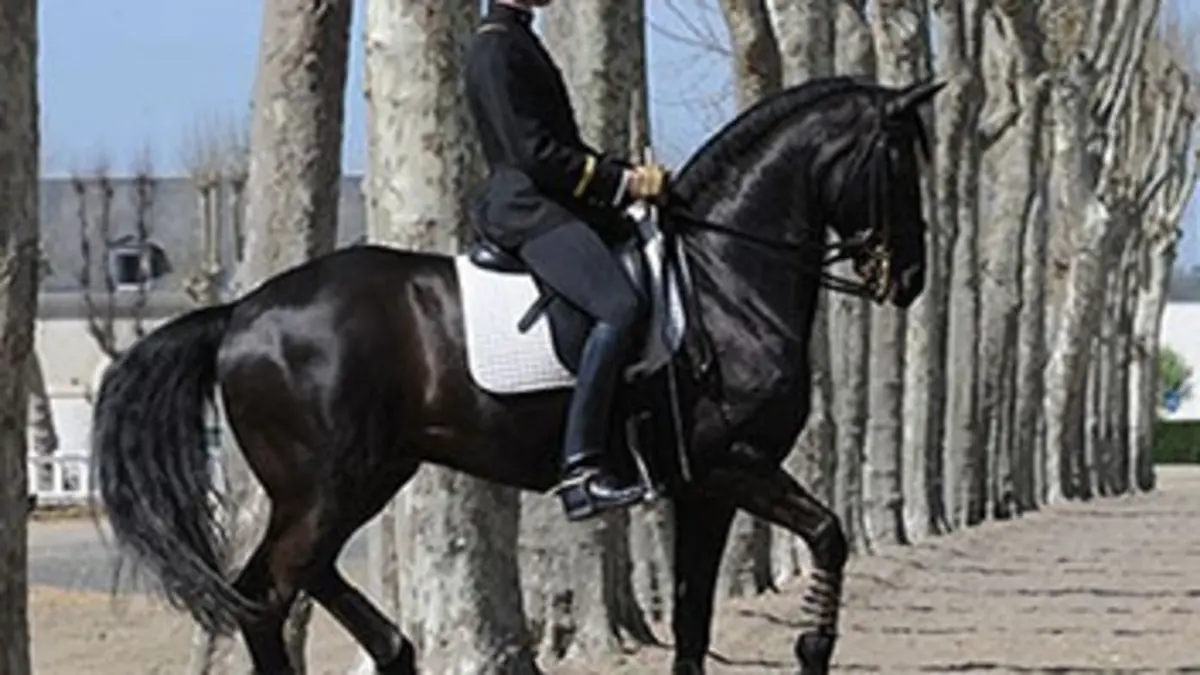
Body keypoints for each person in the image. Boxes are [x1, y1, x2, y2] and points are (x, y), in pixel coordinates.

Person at [464, 0, 668, 521]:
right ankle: (581, 468)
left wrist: (623, 182)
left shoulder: (518, 38)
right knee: (619, 308)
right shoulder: (495, 47)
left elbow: (565, 147)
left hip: (554, 200)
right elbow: (535, 155)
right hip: (527, 208)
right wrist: (620, 182)